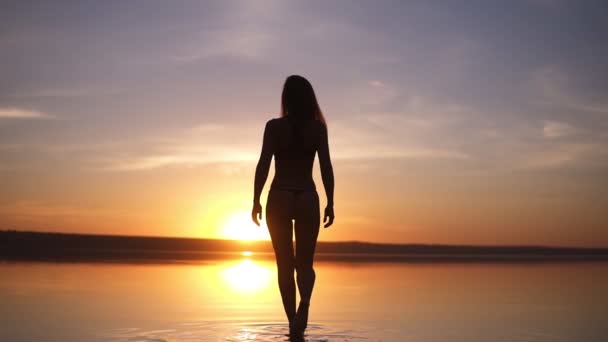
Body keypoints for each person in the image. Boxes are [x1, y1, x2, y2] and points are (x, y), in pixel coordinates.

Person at [252, 75, 335, 336]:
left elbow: (264, 163)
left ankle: (292, 324)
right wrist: (331, 202)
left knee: (284, 265)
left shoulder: (274, 127)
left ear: (286, 98)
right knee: (305, 264)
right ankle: (305, 305)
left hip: (279, 196)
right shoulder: (318, 129)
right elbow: (326, 167)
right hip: (308, 197)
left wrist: (255, 199)